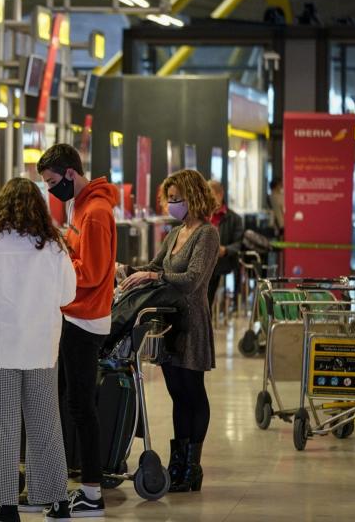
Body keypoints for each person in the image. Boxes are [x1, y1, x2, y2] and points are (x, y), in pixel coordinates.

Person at [0, 178, 77, 522]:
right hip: (41, 346)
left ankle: (7, 506)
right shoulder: (53, 246)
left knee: (1, 425)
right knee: (46, 422)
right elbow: (68, 294)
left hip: (0, 347)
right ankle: (57, 501)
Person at [120, 169, 219, 493]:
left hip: (191, 321)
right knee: (177, 394)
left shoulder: (207, 234)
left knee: (193, 391)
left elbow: (192, 279)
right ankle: (178, 465)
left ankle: (192, 466)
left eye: (178, 198)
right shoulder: (175, 233)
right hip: (168, 322)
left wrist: (155, 277)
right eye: (170, 198)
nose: (173, 203)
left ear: (194, 196)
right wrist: (131, 271)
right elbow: (156, 267)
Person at [36, 144, 118, 518]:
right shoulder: (79, 205)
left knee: (81, 407)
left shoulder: (96, 211)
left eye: (53, 181)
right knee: (73, 403)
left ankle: (92, 491)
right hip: (74, 315)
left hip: (86, 320)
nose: (52, 190)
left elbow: (94, 272)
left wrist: (59, 266)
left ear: (70, 173)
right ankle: (82, 485)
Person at [207, 180, 244, 309]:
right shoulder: (202, 216)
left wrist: (225, 250)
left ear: (220, 195)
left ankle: (206, 312)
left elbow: (239, 244)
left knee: (210, 274)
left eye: (211, 195)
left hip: (223, 260)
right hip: (202, 260)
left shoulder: (234, 219)